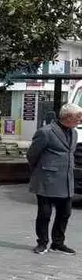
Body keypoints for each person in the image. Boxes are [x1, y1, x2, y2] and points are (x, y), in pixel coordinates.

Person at [27, 103, 81, 254]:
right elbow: (32, 155)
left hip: (66, 179)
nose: (81, 119)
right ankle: (42, 242)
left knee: (65, 213)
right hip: (47, 179)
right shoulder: (46, 132)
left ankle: (58, 243)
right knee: (45, 214)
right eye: (78, 116)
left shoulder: (74, 132)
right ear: (68, 117)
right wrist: (40, 171)